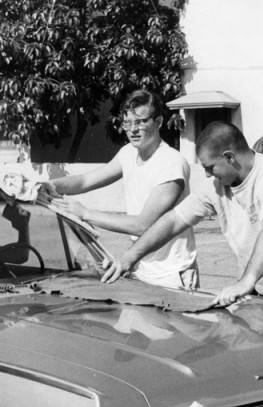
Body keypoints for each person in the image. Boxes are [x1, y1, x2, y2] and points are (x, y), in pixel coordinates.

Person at [102, 122, 263, 309]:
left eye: (211, 167)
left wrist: (245, 282)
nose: (209, 175)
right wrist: (130, 258)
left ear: (230, 157)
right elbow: (174, 220)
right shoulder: (215, 187)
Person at [43, 89, 199, 290]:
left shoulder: (171, 163)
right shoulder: (127, 153)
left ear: (158, 122)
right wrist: (49, 185)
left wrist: (84, 213)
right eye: (127, 123)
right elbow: (85, 180)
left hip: (172, 275)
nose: (133, 129)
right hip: (140, 269)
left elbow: (143, 225)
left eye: (141, 122)